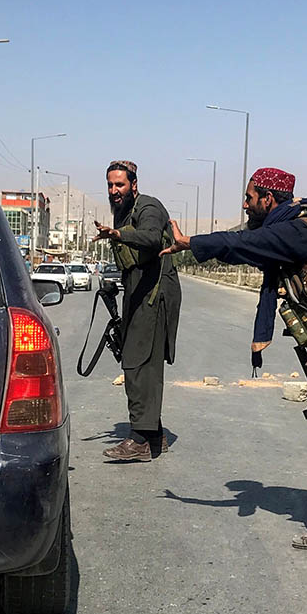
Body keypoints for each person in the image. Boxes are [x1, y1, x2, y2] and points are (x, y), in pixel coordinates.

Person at [161, 167, 307, 576]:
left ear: (269, 198)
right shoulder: (291, 227)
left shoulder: (298, 230)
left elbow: (246, 243)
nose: (245, 204)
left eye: (250, 197)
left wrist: (190, 243)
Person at [92, 160, 182, 461]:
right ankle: (154, 436)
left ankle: (140, 439)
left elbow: (152, 238)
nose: (114, 190)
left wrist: (118, 235)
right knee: (138, 359)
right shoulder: (122, 211)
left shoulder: (149, 207)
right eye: (110, 185)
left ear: (133, 183)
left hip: (155, 292)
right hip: (138, 289)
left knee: (139, 362)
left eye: (120, 184)